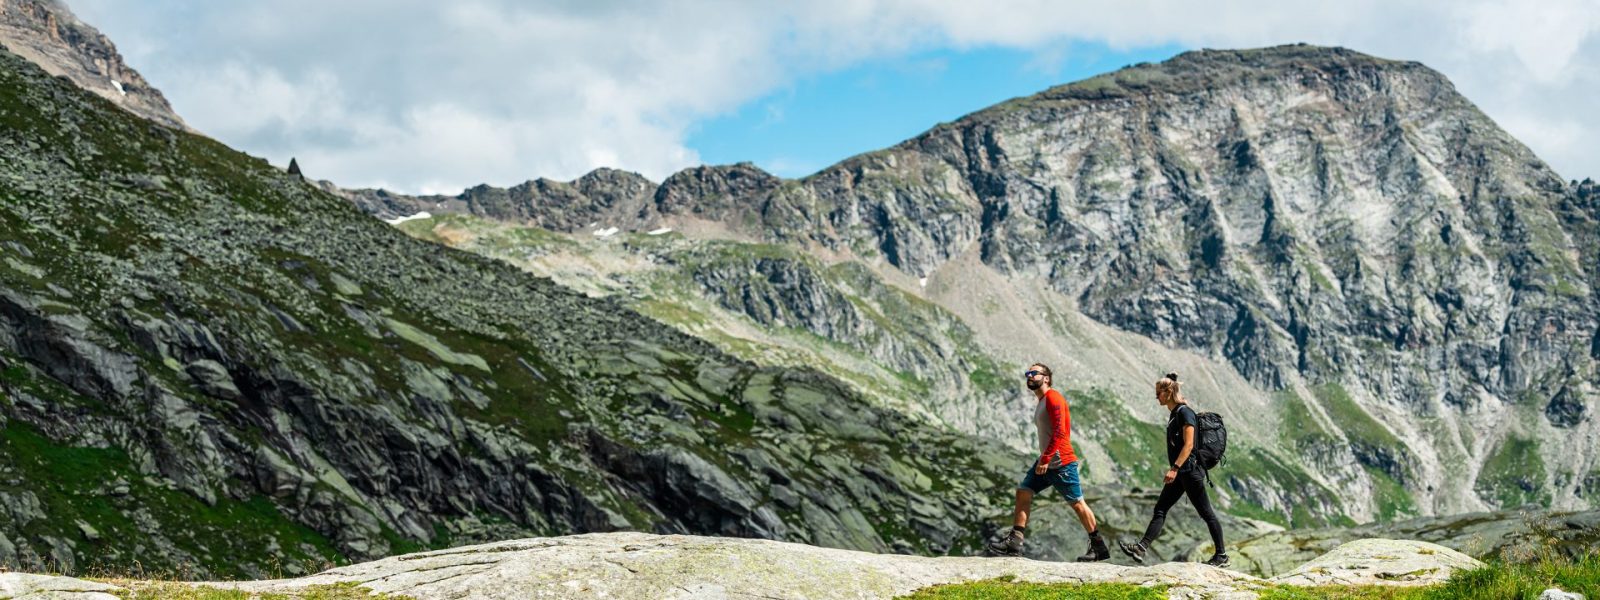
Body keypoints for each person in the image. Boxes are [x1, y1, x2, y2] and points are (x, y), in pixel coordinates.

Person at [985, 363, 1109, 561]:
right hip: (1047, 461)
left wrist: (1046, 458)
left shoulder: (1053, 397)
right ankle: (1015, 542)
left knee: (1078, 504)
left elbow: (1061, 433)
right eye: (1028, 373)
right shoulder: (1042, 400)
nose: (1030, 376)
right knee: (1023, 491)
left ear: (1046, 378)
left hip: (1061, 463)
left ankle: (1099, 547)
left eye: (1034, 373)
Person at [1119, 372, 1229, 567]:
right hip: (1182, 474)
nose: (1156, 397)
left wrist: (1175, 468)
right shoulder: (1175, 414)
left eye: (1158, 393)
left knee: (1207, 513)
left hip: (1189, 472)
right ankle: (1141, 548)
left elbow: (1188, 445)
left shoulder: (1185, 413)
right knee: (1161, 508)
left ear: (1168, 392)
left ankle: (1221, 555)